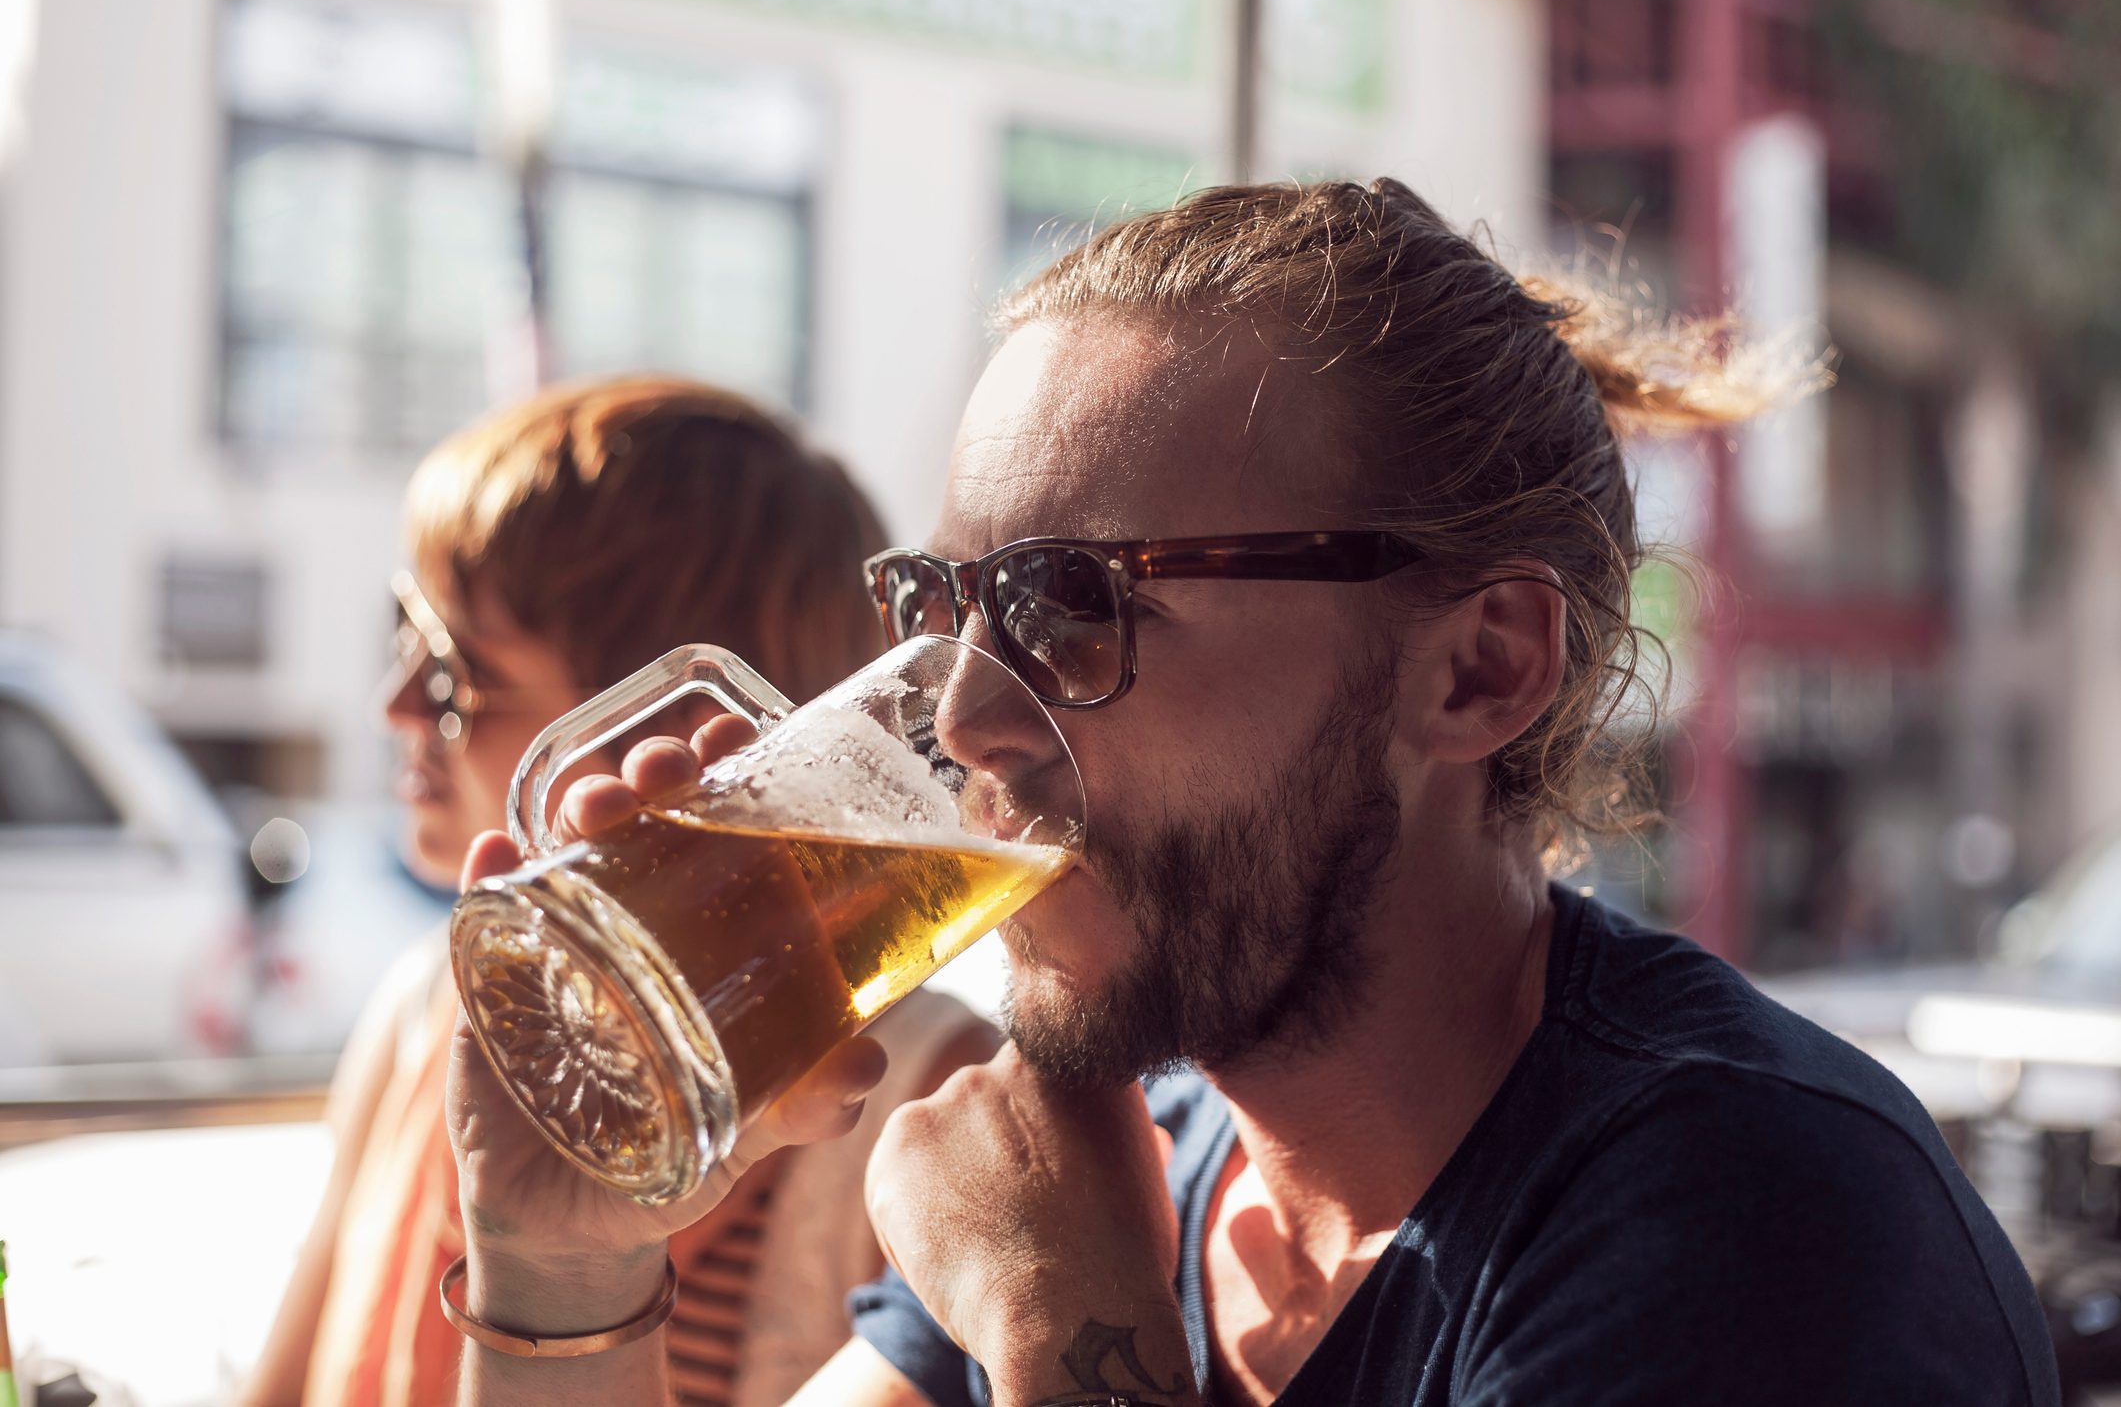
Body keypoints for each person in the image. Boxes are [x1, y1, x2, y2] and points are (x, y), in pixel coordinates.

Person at [442, 182, 2061, 1405]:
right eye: (939, 604)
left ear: (1477, 667)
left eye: (1072, 604)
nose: (958, 712)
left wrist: (1073, 1343)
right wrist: (568, 1258)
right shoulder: (1141, 1144)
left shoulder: (1749, 1230)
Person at [241, 376, 999, 1407]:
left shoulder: (923, 1105)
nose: (391, 705)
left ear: (663, 730)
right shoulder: (431, 1008)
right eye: (402, 631)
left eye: (453, 672)